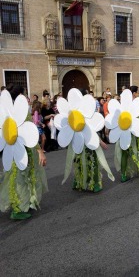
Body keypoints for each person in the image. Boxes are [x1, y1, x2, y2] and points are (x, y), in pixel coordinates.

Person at [0, 85, 47, 220]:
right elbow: (30, 135)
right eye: (25, 95)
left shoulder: (5, 111)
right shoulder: (21, 112)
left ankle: (22, 204)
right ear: (20, 95)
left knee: (16, 177)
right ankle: (19, 209)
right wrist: (40, 151)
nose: (27, 98)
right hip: (23, 150)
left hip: (11, 149)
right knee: (22, 177)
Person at [54, 88, 114, 193]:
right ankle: (93, 184)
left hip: (76, 141)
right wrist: (101, 142)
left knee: (78, 162)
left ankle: (79, 182)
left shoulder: (72, 112)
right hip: (88, 140)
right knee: (92, 162)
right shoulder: (84, 111)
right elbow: (90, 129)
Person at [105, 86, 139, 183]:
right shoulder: (136, 105)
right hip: (134, 134)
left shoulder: (123, 105)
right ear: (133, 93)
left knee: (125, 154)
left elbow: (114, 118)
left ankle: (124, 175)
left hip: (123, 133)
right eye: (137, 92)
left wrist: (108, 129)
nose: (137, 94)